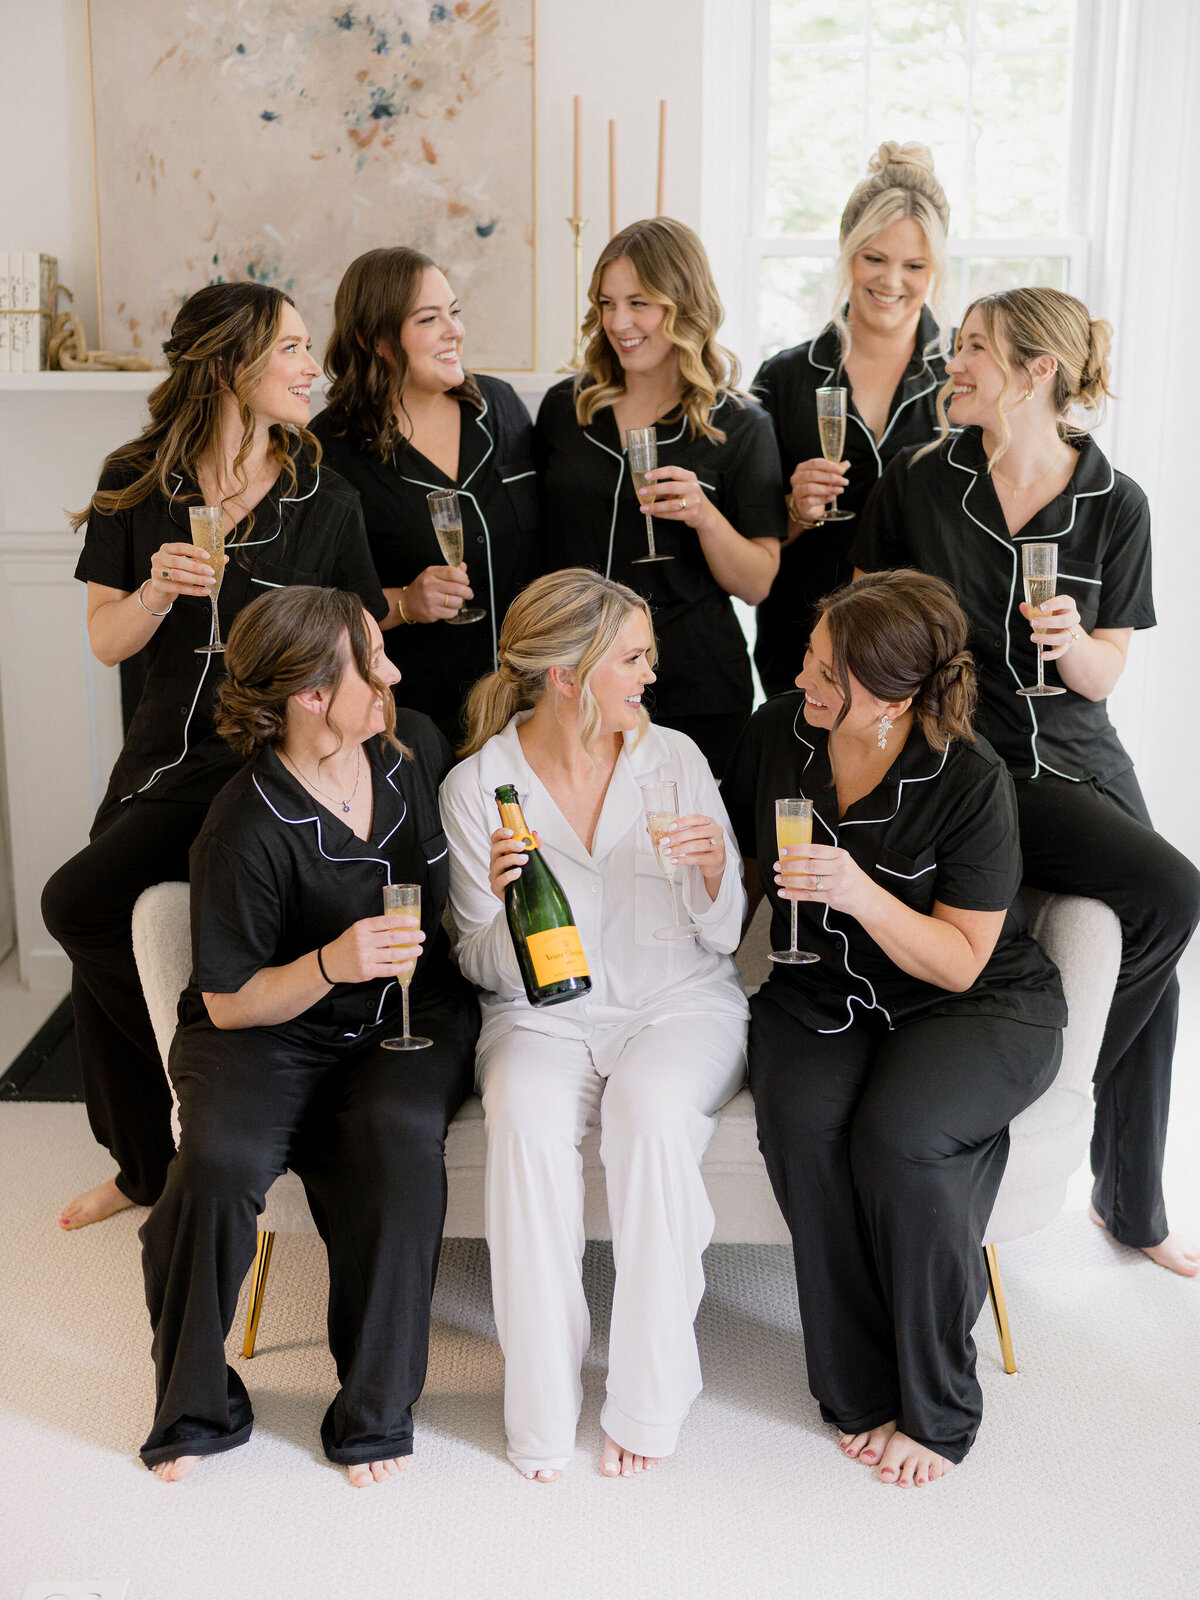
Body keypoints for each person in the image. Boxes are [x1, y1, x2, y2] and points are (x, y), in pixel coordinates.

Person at [851, 286, 1200, 1277]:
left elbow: (1106, 672)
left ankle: (1127, 1199)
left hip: (1081, 755)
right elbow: (867, 620)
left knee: (1161, 923)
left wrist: (1076, 641)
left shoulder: (1114, 501)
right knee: (1173, 893)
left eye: (969, 349)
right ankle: (1069, 1107)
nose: (949, 363)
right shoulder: (922, 483)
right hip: (970, 761)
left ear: (1035, 370)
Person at [41, 281, 387, 1232]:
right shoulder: (139, 478)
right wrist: (153, 591)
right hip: (161, 758)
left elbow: (359, 630)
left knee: (82, 904)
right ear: (231, 362)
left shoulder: (324, 493)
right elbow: (108, 639)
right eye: (292, 349)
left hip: (268, 766)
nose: (311, 367)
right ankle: (146, 1160)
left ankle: (206, 1063)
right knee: (90, 919)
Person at [721, 570, 1066, 1484]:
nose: (804, 680)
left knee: (902, 1138)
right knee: (800, 1124)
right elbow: (746, 876)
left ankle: (942, 1409)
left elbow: (960, 957)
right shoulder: (778, 733)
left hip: (967, 1002)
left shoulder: (968, 777)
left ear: (893, 692)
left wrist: (858, 891)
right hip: (819, 989)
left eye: (827, 671)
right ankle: (860, 1388)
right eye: (809, 658)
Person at [139, 586, 479, 1484]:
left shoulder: (411, 755)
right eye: (374, 660)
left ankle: (374, 1410)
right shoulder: (244, 825)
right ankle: (194, 1402)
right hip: (266, 1026)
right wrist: (333, 961)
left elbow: (446, 907)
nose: (396, 671)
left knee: (398, 1137)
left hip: (405, 1017)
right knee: (217, 1163)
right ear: (313, 697)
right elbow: (229, 1001)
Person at [439, 569, 748, 1480]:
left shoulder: (676, 758)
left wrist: (712, 869)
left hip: (677, 1001)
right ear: (569, 675)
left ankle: (649, 1400)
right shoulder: (477, 788)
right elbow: (482, 964)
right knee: (527, 1126)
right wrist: (496, 906)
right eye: (634, 657)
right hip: (541, 1017)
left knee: (650, 1121)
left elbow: (725, 933)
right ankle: (540, 1408)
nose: (651, 673)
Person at [534, 217, 785, 775]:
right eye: (607, 303)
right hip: (569, 675)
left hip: (693, 685)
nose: (619, 323)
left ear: (683, 306)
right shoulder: (566, 409)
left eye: (640, 303)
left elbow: (757, 581)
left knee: (681, 850)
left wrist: (705, 516)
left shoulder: (741, 425)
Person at [310, 246, 542, 745]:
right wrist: (405, 603)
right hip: (411, 719)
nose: (453, 330)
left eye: (453, 313)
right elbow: (314, 605)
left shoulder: (499, 407)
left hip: (528, 708)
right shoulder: (330, 449)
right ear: (374, 340)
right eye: (428, 318)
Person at [752, 141, 951, 696]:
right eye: (874, 258)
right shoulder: (784, 377)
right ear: (845, 247)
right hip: (804, 644)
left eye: (914, 265)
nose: (892, 282)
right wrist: (795, 509)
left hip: (929, 652)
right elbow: (747, 546)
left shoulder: (966, 376)